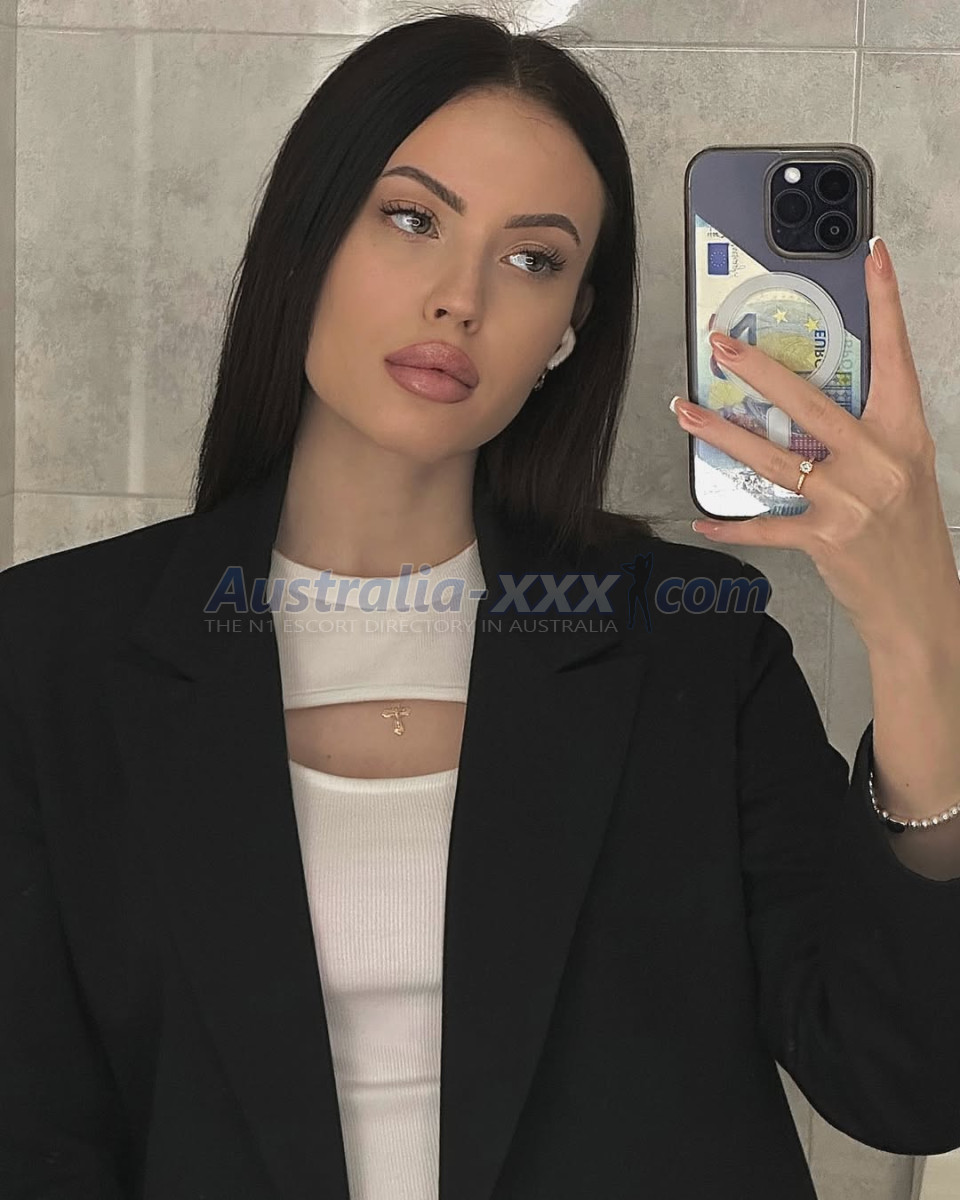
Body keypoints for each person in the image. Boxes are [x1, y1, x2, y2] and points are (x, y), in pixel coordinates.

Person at [2, 11, 960, 1200]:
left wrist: (921, 640)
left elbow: (905, 1083)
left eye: (532, 259)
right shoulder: (49, 660)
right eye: (413, 220)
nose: (459, 299)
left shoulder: (696, 648)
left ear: (569, 332)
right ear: (307, 239)